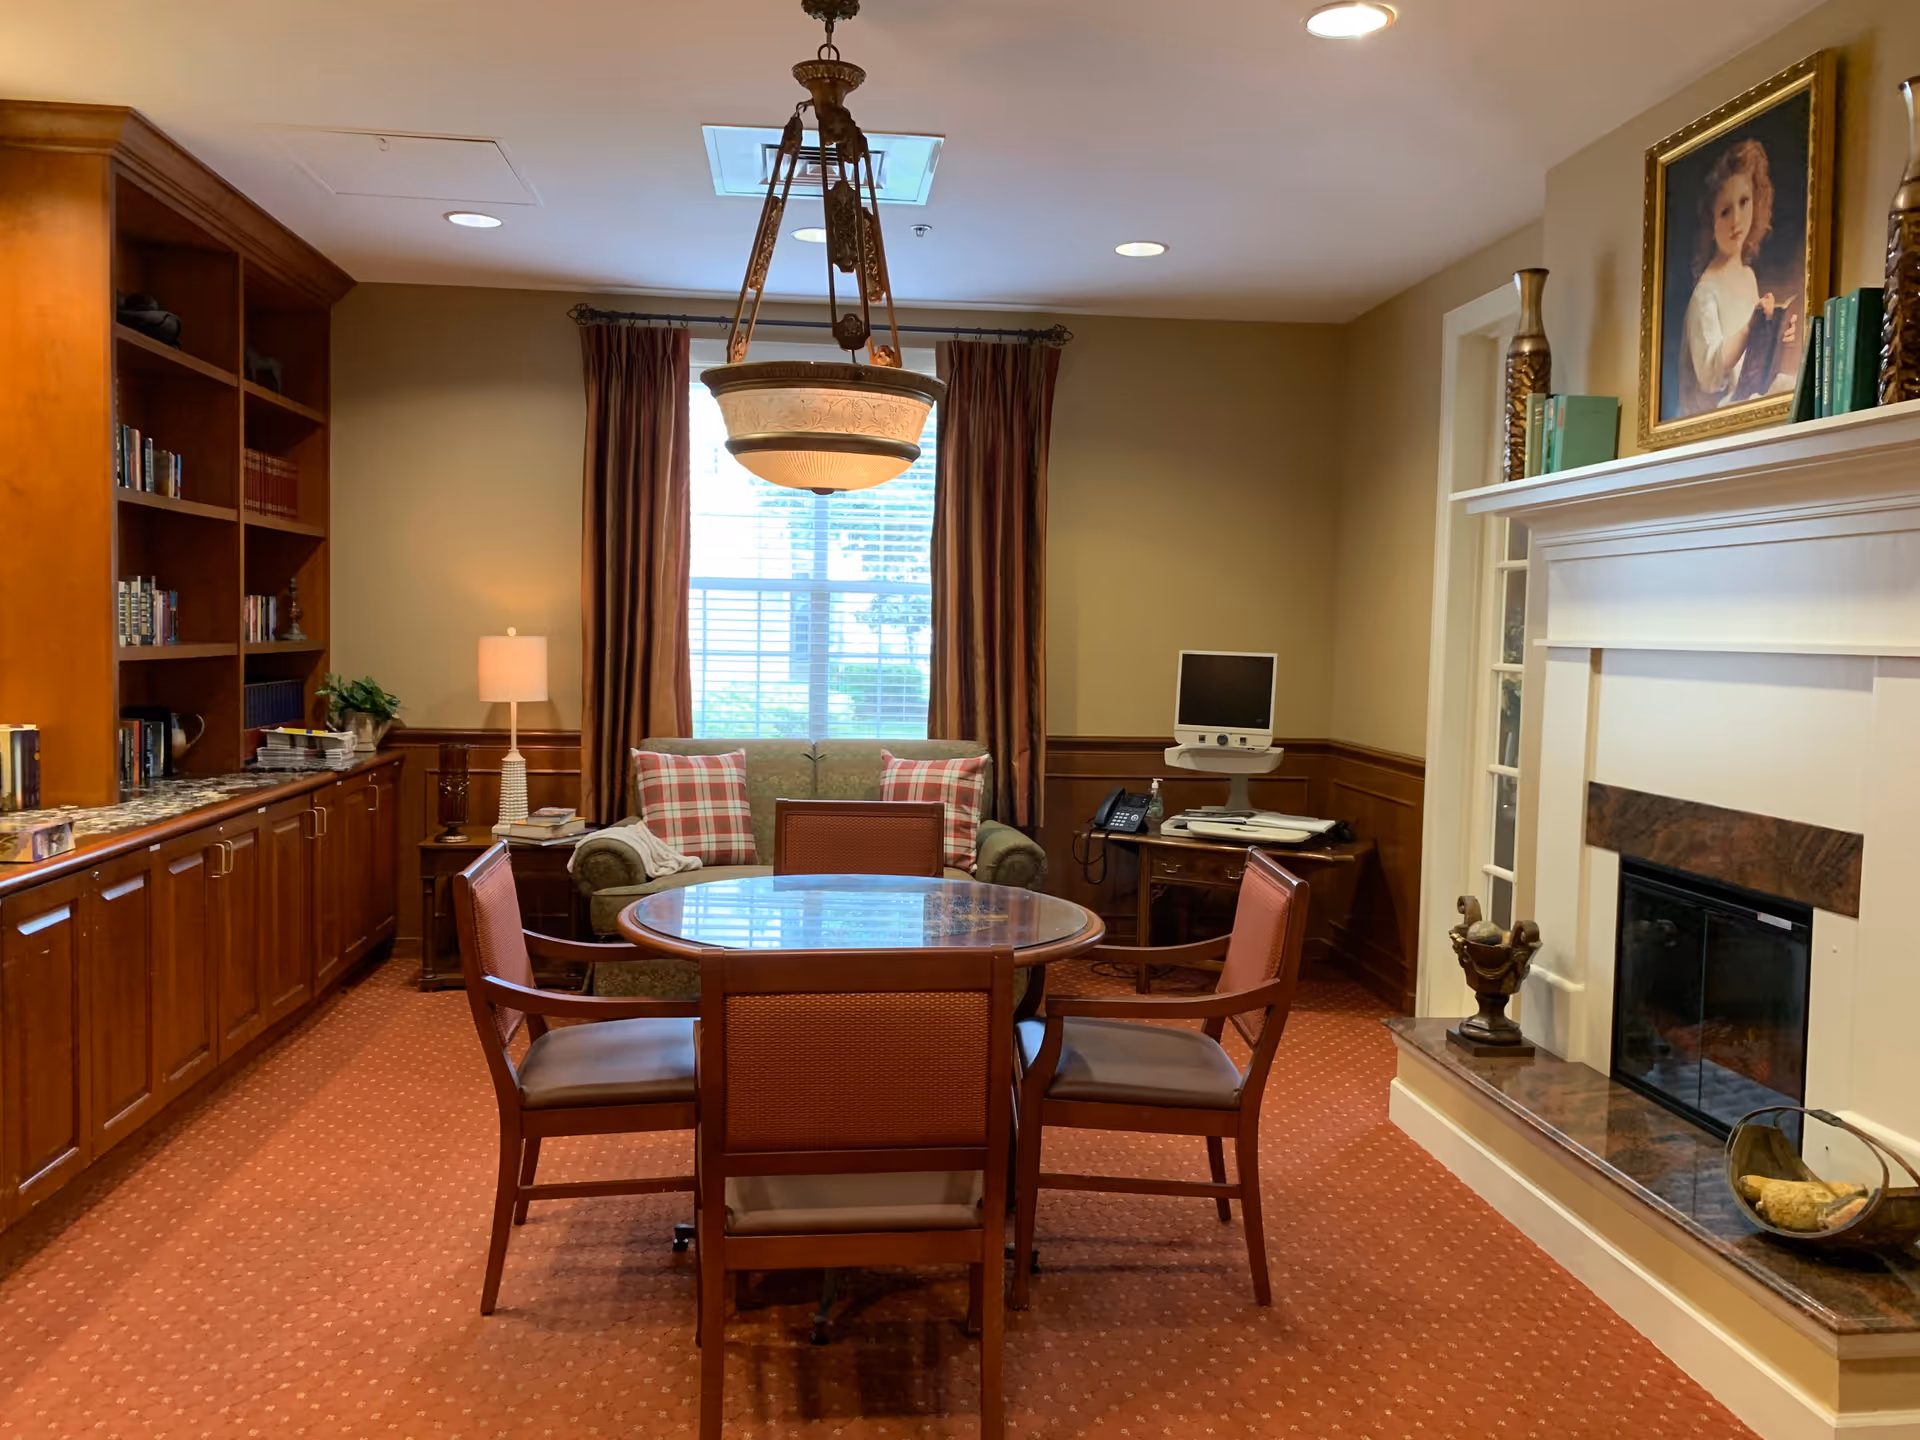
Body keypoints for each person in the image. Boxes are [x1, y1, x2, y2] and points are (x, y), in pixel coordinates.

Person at [1680, 137, 1793, 415]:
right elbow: (1709, 376)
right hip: (1722, 409)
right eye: (1724, 212)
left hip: (1749, 393)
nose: (1736, 220)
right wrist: (1748, 330)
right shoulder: (1706, 293)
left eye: (1744, 202)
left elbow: (1752, 359)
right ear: (1711, 222)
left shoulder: (1748, 275)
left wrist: (1774, 334)